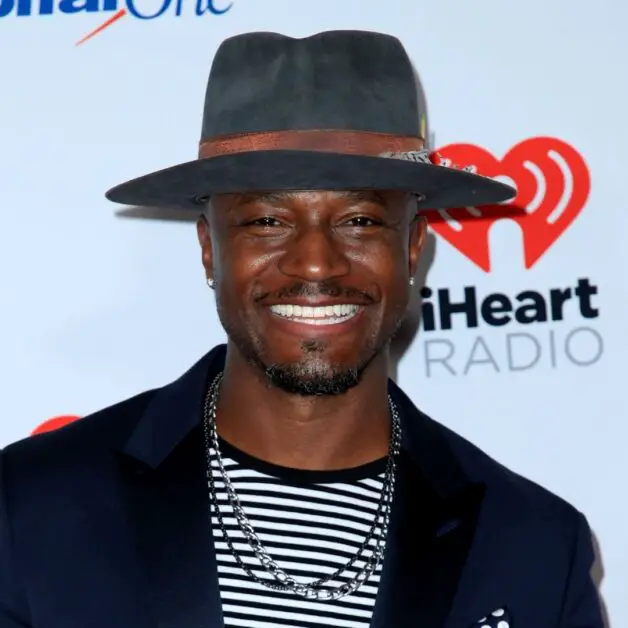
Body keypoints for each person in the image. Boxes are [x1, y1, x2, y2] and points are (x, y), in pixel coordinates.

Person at [0, 30, 604, 628]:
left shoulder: (536, 549)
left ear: (413, 247)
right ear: (210, 249)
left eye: (360, 219)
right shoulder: (29, 507)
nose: (316, 262)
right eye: (266, 220)